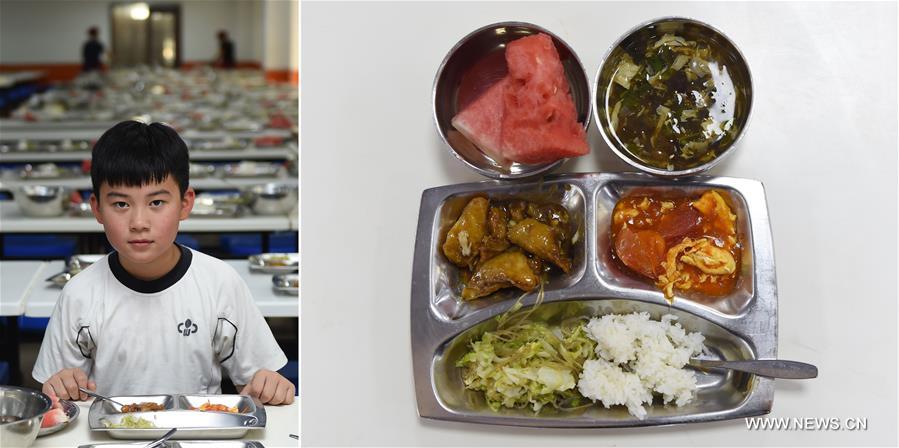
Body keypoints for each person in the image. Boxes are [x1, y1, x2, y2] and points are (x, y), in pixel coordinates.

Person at [33, 121, 295, 405]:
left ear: (185, 204)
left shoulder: (219, 283)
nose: (139, 223)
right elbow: (60, 400)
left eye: (156, 203)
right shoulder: (79, 294)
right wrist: (61, 386)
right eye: (121, 204)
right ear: (97, 209)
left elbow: (255, 386)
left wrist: (270, 385)